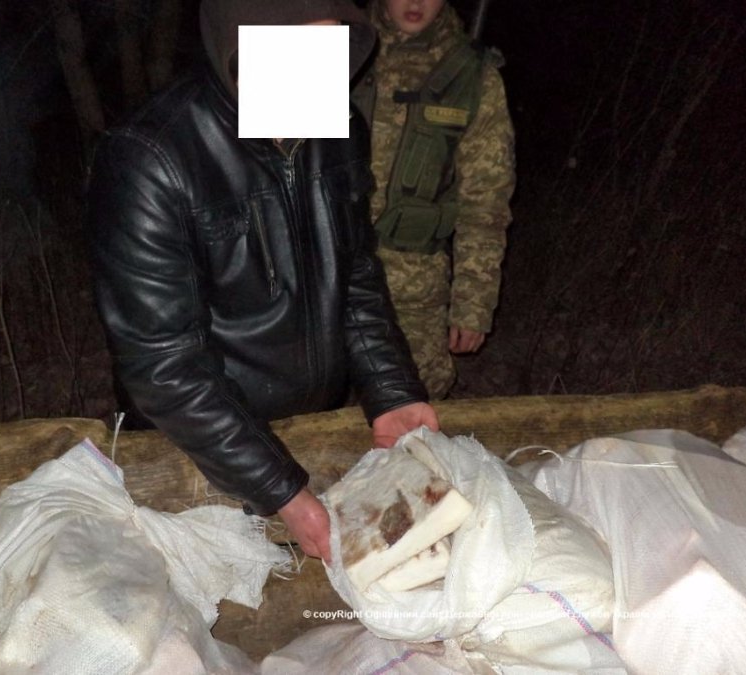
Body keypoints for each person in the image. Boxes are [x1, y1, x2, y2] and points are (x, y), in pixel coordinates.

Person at [87, 0, 439, 563]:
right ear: (238, 45)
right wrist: (281, 490)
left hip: (312, 424)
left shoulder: (340, 127)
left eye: (327, 52)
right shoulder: (150, 157)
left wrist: (392, 391)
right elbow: (162, 364)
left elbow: (354, 278)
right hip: (194, 448)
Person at [352, 0, 516, 399]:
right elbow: (261, 165)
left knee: (412, 406)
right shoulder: (330, 48)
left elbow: (486, 202)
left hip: (413, 290)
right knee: (302, 407)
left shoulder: (471, 76)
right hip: (318, 273)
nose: (415, 2)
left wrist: (473, 303)